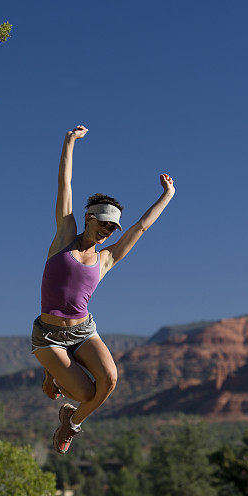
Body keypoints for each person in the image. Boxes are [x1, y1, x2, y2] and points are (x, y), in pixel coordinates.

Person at [30, 125, 175, 454]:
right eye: (104, 224)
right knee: (85, 392)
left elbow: (142, 226)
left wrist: (167, 196)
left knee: (108, 383)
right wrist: (69, 142)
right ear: (88, 218)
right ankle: (53, 373)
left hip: (83, 331)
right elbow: (64, 184)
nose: (108, 231)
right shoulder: (64, 235)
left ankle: (71, 422)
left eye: (113, 228)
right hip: (49, 336)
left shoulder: (106, 259)